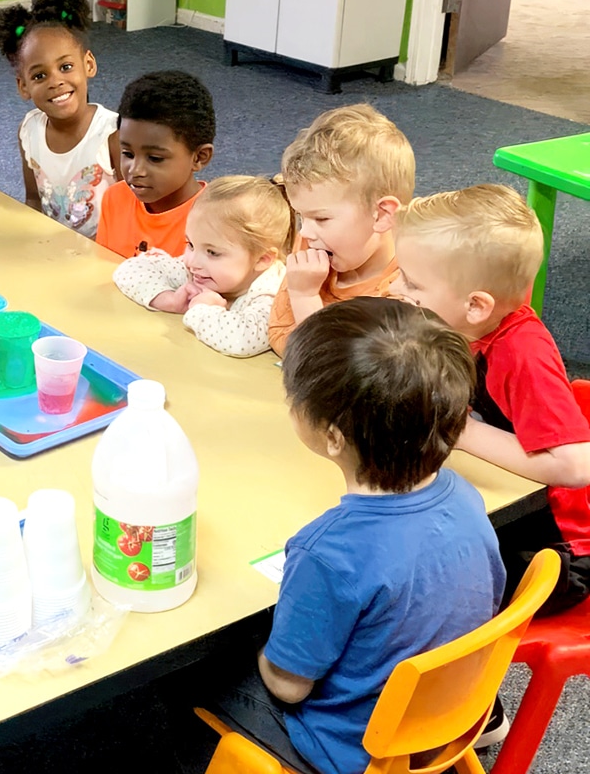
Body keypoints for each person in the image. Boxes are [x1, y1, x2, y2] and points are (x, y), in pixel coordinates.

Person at [208, 297, 506, 774]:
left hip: (349, 750)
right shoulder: (464, 494)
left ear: (331, 437)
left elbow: (288, 685)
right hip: (444, 723)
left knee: (197, 670)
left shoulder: (327, 552)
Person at [392, 183, 590, 613]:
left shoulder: (521, 354)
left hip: (553, 551)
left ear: (476, 305)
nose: (395, 286)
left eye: (411, 282)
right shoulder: (466, 324)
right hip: (501, 506)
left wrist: (458, 431)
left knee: (412, 586)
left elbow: (577, 466)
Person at [266, 104, 413, 356]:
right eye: (302, 216)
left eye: (321, 218)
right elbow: (279, 334)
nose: (306, 233)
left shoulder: (410, 286)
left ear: (382, 214)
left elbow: (342, 370)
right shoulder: (314, 244)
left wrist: (304, 298)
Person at [0, 0, 119, 238]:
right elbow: (34, 202)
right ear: (23, 86)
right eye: (39, 76)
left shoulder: (113, 133)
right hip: (54, 252)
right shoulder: (29, 130)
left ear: (89, 64)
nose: (55, 82)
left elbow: (137, 214)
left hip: (105, 256)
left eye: (65, 67)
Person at [113, 176, 293, 357]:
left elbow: (241, 341)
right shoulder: (199, 271)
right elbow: (129, 270)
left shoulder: (275, 295)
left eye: (212, 253)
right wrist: (169, 300)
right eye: (190, 244)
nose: (192, 262)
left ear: (263, 259)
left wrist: (202, 309)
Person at [96, 70, 215, 259]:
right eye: (127, 153)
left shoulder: (214, 223)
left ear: (199, 157)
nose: (135, 170)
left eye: (155, 158)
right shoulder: (115, 198)